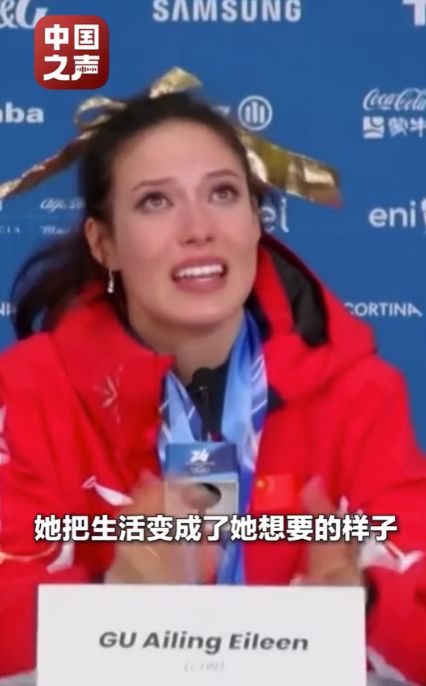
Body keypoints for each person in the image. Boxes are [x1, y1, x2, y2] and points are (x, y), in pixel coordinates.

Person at [0, 79, 425, 685]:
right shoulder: (30, 390)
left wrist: (366, 605)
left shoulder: (360, 393)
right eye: (155, 201)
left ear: (255, 221)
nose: (198, 228)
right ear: (104, 243)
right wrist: (109, 606)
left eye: (223, 194)